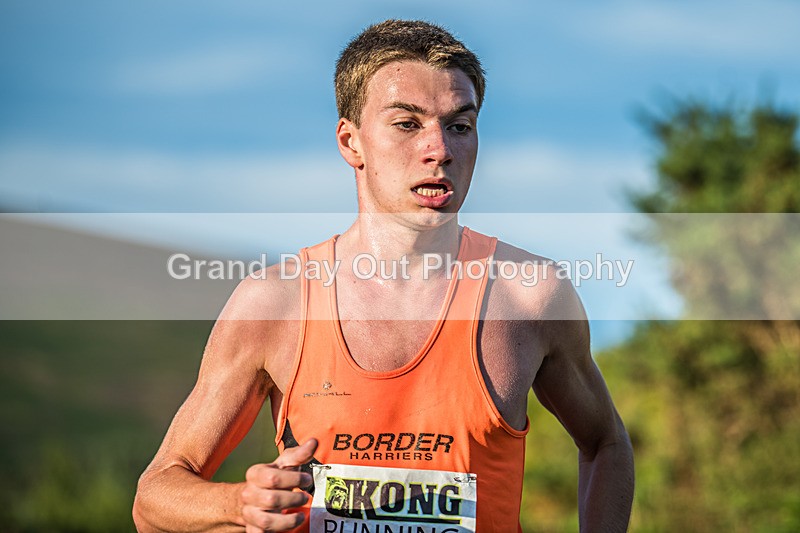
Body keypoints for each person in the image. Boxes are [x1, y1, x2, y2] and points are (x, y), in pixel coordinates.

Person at [133, 19, 634, 532]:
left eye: (459, 126)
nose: (439, 150)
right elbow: (154, 500)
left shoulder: (530, 297)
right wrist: (239, 503)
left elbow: (606, 442)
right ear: (351, 142)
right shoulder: (276, 305)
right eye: (407, 124)